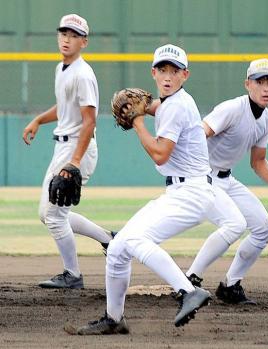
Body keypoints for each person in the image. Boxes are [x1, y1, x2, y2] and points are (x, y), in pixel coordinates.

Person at [67, 43, 221, 335]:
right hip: (182, 192)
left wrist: (137, 120)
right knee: (119, 247)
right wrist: (145, 107)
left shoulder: (177, 105)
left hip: (191, 194)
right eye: (162, 69)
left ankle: (188, 291)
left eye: (174, 71)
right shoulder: (171, 102)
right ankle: (114, 318)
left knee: (137, 239)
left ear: (185, 75)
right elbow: (160, 107)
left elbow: (161, 153)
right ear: (153, 72)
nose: (167, 76)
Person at [22, 14, 114, 289]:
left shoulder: (83, 74)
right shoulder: (62, 68)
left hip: (77, 148)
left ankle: (72, 275)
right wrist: (38, 119)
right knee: (47, 213)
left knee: (53, 216)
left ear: (83, 42)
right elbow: (64, 108)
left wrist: (73, 162)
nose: (66, 39)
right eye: (63, 33)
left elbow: (90, 121)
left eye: (74, 35)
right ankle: (109, 239)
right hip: (63, 146)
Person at [186, 58, 268, 305]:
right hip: (203, 178)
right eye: (259, 81)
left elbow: (258, 162)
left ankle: (230, 285)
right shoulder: (232, 109)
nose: (265, 88)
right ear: (247, 84)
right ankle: (189, 282)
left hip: (226, 179)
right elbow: (200, 133)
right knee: (235, 224)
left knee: (265, 228)